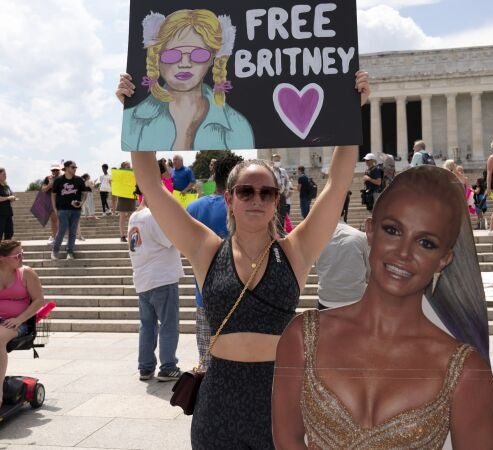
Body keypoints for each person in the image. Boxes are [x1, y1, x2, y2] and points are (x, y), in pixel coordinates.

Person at [118, 70, 370, 449]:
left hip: (279, 394)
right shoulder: (206, 249)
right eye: (246, 191)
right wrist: (135, 113)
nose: (256, 198)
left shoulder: (295, 251)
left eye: (266, 193)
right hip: (219, 396)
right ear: (229, 198)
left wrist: (353, 114)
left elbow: (336, 185)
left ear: (276, 203)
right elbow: (151, 186)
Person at [272, 166, 493, 449]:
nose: (403, 253)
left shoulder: (467, 372)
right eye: (393, 230)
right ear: (370, 231)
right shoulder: (301, 336)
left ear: (444, 259)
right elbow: (286, 439)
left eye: (426, 243)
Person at [121, 9, 254, 151]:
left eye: (199, 54)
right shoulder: (132, 120)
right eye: (172, 55)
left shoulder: (237, 125)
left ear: (212, 59)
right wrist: (129, 100)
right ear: (157, 58)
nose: (185, 63)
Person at [128, 187, 183, 382]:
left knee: (147, 325)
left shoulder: (134, 216)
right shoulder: (153, 215)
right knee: (168, 324)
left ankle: (145, 367)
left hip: (143, 278)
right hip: (162, 277)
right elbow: (172, 239)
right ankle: (168, 366)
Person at [186, 156, 234, 370]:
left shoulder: (194, 208)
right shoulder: (245, 209)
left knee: (207, 367)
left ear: (214, 178)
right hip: (240, 297)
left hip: (205, 297)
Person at [0, 240, 46, 408]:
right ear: (3, 258)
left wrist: (19, 319)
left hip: (17, 322)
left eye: (22, 253)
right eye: (17, 255)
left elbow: (39, 300)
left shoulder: (26, 273)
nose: (21, 258)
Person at [315, 193, 369, 309]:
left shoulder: (317, 238)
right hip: (356, 301)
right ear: (344, 212)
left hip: (326, 301)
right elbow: (370, 273)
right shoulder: (361, 237)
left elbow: (318, 267)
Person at [51, 161, 85, 260]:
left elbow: (84, 193)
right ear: (66, 168)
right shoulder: (58, 180)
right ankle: (55, 251)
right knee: (61, 230)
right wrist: (54, 208)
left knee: (73, 232)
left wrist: (82, 202)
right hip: (62, 209)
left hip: (76, 210)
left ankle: (70, 252)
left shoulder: (79, 180)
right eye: (73, 167)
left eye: (76, 167)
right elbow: (53, 195)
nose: (75, 169)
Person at [271, 154, 293, 236]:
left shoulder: (283, 171)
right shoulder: (270, 171)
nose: (277, 161)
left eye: (278, 160)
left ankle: (280, 232)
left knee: (282, 214)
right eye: (275, 160)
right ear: (272, 161)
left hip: (282, 195)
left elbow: (287, 181)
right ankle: (272, 232)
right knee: (273, 214)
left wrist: (286, 191)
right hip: (273, 196)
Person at [116, 161, 137, 242]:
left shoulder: (132, 173)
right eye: (127, 166)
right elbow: (115, 184)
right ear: (123, 167)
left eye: (129, 166)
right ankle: (122, 236)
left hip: (130, 196)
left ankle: (131, 234)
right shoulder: (119, 174)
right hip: (122, 196)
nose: (129, 167)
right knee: (122, 217)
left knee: (131, 217)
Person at [42, 164, 62, 241]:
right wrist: (50, 184)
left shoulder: (63, 178)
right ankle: (54, 236)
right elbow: (43, 189)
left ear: (59, 170)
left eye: (57, 170)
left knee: (62, 219)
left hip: (61, 201)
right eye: (53, 170)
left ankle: (61, 235)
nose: (55, 171)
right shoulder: (48, 178)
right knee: (53, 219)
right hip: (51, 201)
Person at [0, 168, 16, 241]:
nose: (5, 176)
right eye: (3, 174)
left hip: (8, 213)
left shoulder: (7, 187)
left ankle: (6, 251)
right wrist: (8, 198)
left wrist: (13, 198)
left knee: (9, 233)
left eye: (5, 174)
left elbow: (10, 196)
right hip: (1, 214)